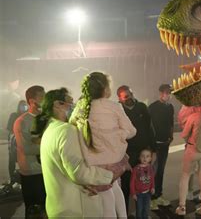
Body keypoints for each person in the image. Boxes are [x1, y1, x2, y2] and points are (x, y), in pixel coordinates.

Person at [33, 88, 128, 217]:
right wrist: (112, 174)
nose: (75, 107)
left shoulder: (51, 129)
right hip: (76, 210)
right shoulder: (66, 131)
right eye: (70, 102)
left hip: (61, 207)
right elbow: (80, 173)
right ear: (57, 104)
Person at [70, 72, 137, 218]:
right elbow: (132, 131)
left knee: (109, 194)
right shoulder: (114, 107)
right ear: (106, 89)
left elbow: (72, 130)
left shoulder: (80, 107)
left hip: (92, 163)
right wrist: (119, 135)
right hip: (113, 162)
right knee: (111, 194)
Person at [117, 85, 155, 214]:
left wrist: (153, 150)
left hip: (143, 152)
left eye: (131, 94)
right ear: (120, 98)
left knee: (144, 183)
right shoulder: (118, 110)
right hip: (127, 153)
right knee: (127, 184)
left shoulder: (142, 107)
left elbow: (150, 128)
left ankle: (141, 213)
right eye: (126, 96)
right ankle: (126, 213)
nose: (130, 98)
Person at [13, 85, 46, 217]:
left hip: (46, 170)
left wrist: (39, 141)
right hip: (31, 172)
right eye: (42, 97)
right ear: (32, 101)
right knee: (34, 211)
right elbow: (27, 148)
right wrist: (48, 145)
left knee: (46, 208)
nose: (45, 100)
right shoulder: (22, 122)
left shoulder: (46, 119)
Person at [176, 101, 201, 216]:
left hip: (192, 149)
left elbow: (184, 134)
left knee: (185, 175)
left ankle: (182, 207)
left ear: (198, 106)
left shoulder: (193, 116)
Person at [148, 83, 174, 208]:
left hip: (165, 144)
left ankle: (158, 195)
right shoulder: (152, 107)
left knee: (161, 171)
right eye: (164, 92)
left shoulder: (170, 107)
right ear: (160, 93)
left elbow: (170, 123)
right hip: (155, 145)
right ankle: (151, 198)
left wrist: (171, 135)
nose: (167, 95)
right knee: (153, 171)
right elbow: (148, 126)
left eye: (169, 93)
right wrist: (151, 144)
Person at [6, 100, 28, 185]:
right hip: (13, 141)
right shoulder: (14, 115)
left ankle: (22, 180)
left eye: (25, 106)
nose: (24, 108)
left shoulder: (27, 116)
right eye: (22, 106)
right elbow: (9, 128)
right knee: (12, 160)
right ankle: (12, 179)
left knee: (22, 161)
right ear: (18, 107)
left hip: (24, 142)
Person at [130, 148, 155, 219]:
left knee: (146, 209)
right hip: (138, 194)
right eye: (142, 156)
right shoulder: (136, 169)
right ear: (139, 157)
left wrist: (152, 187)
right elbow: (132, 182)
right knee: (139, 209)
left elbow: (152, 178)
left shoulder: (150, 168)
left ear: (150, 158)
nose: (145, 158)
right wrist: (133, 193)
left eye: (147, 156)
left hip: (148, 193)